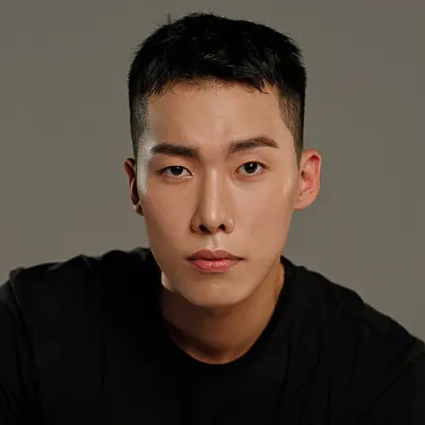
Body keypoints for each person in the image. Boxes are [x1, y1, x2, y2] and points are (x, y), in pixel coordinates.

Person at [0, 12, 424, 425]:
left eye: (250, 167)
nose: (212, 216)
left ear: (305, 180)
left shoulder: (386, 383)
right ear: (135, 187)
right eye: (176, 170)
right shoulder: (31, 331)